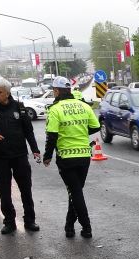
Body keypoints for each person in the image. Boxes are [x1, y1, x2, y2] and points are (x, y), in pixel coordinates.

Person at [0, 78, 41, 235]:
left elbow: (28, 131)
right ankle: (9, 221)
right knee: (4, 192)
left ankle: (30, 220)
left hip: (19, 156)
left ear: (7, 93)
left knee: (26, 190)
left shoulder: (19, 107)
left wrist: (35, 149)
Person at [43, 76, 100, 238]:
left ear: (56, 91)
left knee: (75, 193)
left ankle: (87, 227)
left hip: (66, 158)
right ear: (69, 89)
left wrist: (47, 156)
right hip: (84, 156)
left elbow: (52, 135)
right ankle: (69, 226)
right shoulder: (83, 106)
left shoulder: (55, 109)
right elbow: (96, 126)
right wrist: (81, 132)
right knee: (75, 192)